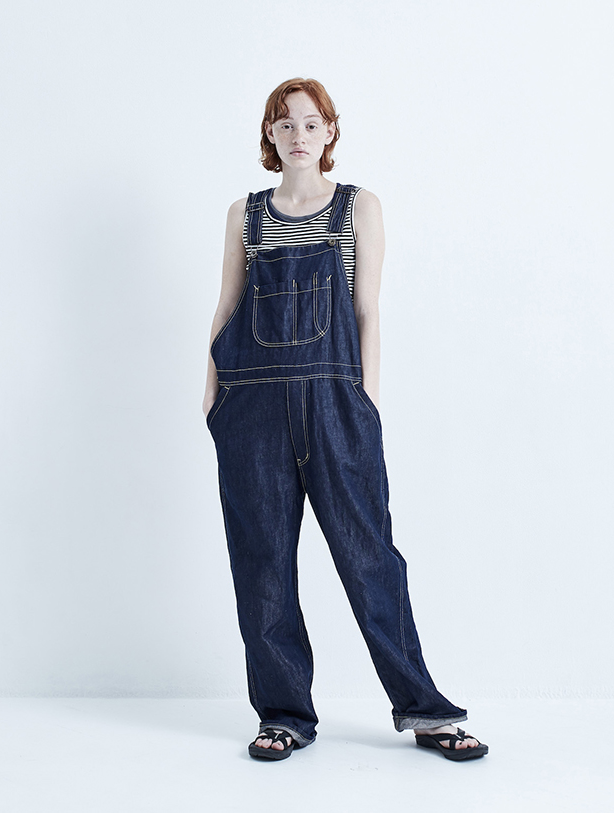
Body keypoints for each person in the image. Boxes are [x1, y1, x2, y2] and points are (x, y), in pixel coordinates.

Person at [203, 77, 488, 762]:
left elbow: (366, 310)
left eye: (311, 123)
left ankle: (426, 711)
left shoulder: (358, 207)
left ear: (330, 132)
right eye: (284, 124)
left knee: (370, 560)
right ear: (269, 135)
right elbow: (227, 305)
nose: (298, 134)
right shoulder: (245, 214)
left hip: (338, 403)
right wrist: (211, 398)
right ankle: (283, 715)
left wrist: (368, 403)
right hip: (252, 408)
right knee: (262, 563)